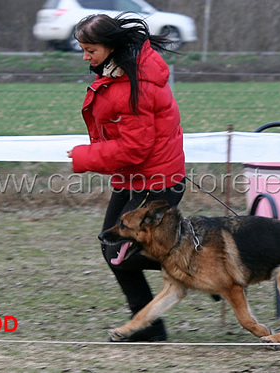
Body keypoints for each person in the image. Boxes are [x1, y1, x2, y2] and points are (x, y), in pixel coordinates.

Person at [67, 13, 186, 342]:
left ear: (111, 46)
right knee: (112, 248)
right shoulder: (119, 71)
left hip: (156, 181)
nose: (85, 56)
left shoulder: (137, 84)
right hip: (133, 179)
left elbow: (134, 148)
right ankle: (149, 325)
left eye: (90, 49)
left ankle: (197, 269)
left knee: (119, 250)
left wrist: (84, 156)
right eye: (82, 48)